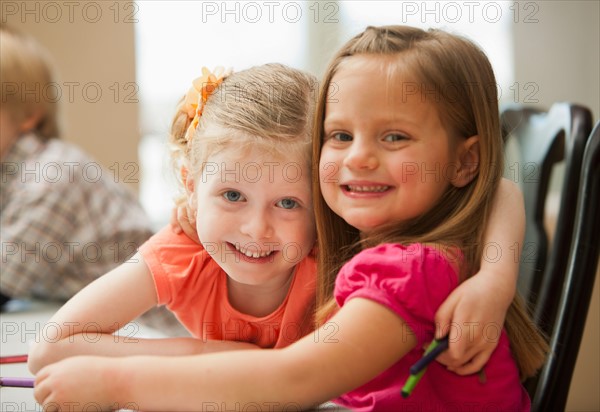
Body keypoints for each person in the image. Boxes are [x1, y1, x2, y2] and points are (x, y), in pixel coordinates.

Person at [32, 26, 548, 411]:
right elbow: (496, 189)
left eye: (393, 137)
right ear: (191, 185)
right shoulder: (364, 231)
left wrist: (116, 384)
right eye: (342, 136)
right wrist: (495, 280)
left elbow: (291, 381)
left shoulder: (400, 264)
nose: (359, 158)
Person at [28, 63, 320, 373]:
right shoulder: (181, 253)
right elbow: (50, 349)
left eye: (288, 203)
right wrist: (206, 354)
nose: (256, 229)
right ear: (192, 186)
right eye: (233, 196)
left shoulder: (337, 262)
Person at [0, 24, 154, 307]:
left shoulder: (50, 175)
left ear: (28, 116)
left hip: (147, 324)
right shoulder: (12, 177)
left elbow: (3, 281)